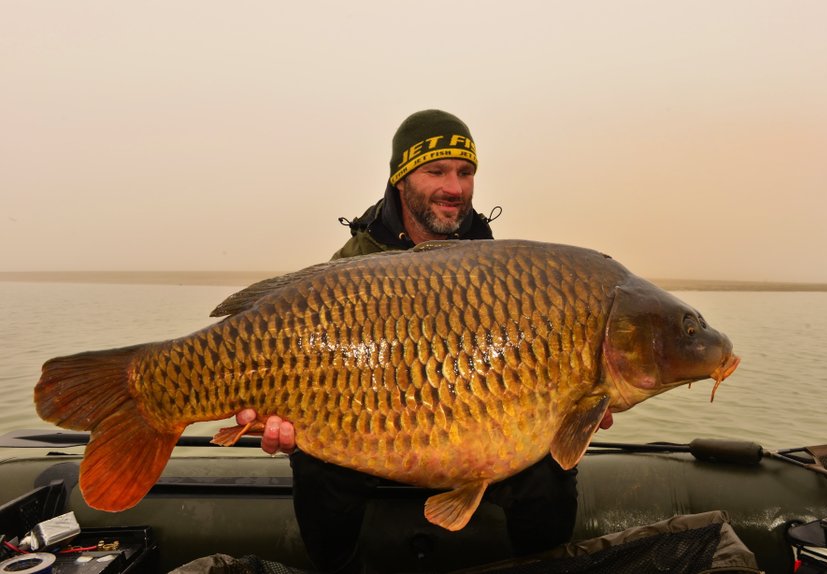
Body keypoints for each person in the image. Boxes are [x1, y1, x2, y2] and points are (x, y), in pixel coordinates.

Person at [236, 110, 584, 573]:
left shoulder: (499, 267)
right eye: (435, 171)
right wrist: (277, 419)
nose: (454, 188)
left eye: (465, 172)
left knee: (550, 472)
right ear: (401, 180)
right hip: (369, 436)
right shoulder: (352, 263)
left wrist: (574, 402)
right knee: (315, 466)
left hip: (476, 439)